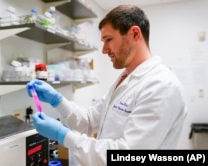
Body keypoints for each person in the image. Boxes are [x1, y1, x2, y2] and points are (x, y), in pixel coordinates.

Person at [27, 4, 187, 166]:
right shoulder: (125, 79)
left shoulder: (162, 86)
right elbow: (90, 121)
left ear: (134, 34)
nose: (104, 50)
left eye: (109, 40)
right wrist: (58, 101)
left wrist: (63, 135)